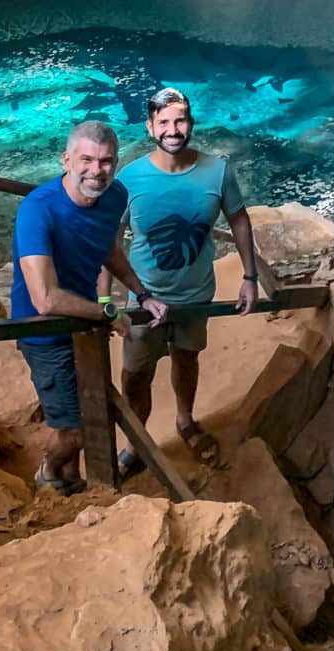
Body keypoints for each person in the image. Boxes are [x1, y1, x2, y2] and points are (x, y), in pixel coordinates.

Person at [98, 86, 258, 475]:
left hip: (195, 297)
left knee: (187, 358)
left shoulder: (218, 171)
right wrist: (104, 301)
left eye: (180, 120)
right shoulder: (129, 179)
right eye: (164, 122)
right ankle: (139, 440)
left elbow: (238, 218)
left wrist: (250, 276)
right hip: (142, 300)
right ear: (151, 127)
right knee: (136, 374)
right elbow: (110, 241)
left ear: (191, 123)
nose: (173, 129)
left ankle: (185, 420)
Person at [12, 120, 167, 495]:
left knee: (89, 411)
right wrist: (108, 312)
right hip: (44, 331)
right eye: (86, 160)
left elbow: (106, 248)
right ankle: (48, 472)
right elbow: (44, 298)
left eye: (106, 162)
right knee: (78, 428)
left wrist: (141, 293)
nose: (96, 171)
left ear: (116, 163)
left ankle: (71, 482)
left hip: (84, 324)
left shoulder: (114, 197)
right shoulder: (37, 210)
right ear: (66, 160)